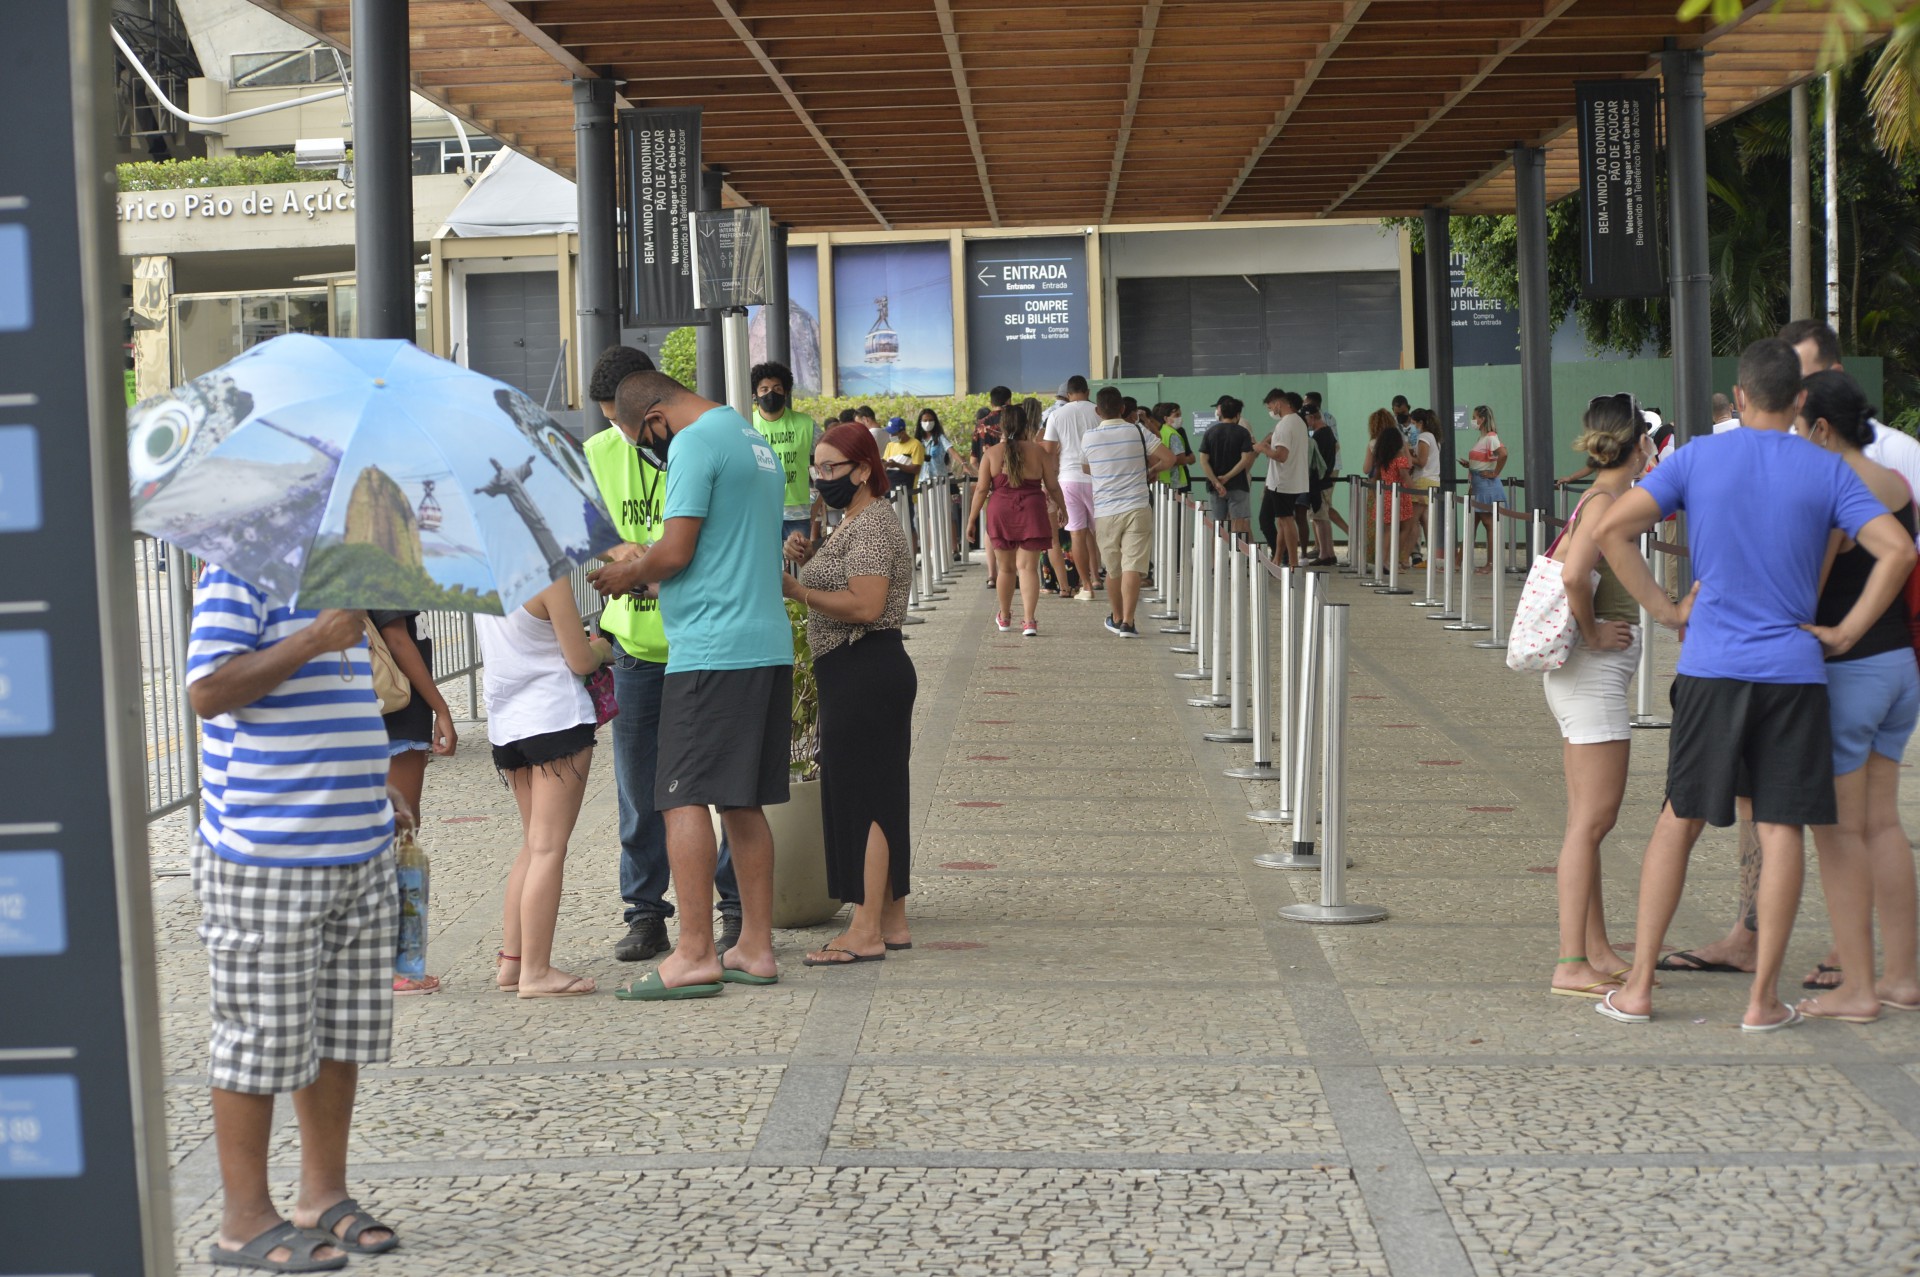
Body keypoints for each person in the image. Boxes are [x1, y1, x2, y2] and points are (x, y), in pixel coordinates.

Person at [1592, 339, 1915, 1031]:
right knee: (1782, 831)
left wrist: (1667, 609)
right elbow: (1899, 549)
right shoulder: (1823, 468)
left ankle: (1640, 986)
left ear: (1738, 399)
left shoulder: (1699, 456)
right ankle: (1763, 1000)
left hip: (1711, 666)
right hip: (1795, 673)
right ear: (1800, 400)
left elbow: (1615, 529)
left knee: (1677, 821)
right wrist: (1848, 631)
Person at [187, 568, 405, 1269]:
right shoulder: (237, 564)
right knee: (257, 1037)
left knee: (338, 1032)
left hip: (357, 842)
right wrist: (313, 637)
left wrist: (373, 794)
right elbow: (208, 688)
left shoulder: (340, 562)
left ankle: (322, 1195)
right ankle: (244, 1219)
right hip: (267, 848)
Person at [587, 370, 791, 1001]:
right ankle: (754, 946)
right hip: (763, 642)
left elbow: (675, 553)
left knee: (679, 797)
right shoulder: (749, 437)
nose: (649, 449)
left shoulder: (694, 444)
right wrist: (652, 566)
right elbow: (716, 553)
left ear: (653, 418)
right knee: (741, 801)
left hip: (710, 651)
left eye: (638, 437)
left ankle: (696, 951)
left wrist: (630, 573)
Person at [583, 347, 742, 965]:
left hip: (704, 642)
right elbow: (590, 534)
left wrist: (660, 557)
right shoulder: (598, 455)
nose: (616, 434)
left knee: (721, 786)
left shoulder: (702, 441)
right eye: (607, 422)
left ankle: (731, 909)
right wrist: (626, 555)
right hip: (638, 648)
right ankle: (646, 912)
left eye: (620, 420)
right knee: (640, 789)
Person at [1793, 370, 1920, 1023]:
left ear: (1820, 426)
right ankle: (1901, 977)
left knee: (1838, 831)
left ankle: (1858, 988)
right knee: (1884, 823)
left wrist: (1840, 630)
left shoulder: (1834, 483)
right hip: (1900, 668)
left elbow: (1808, 586)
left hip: (1852, 671)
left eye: (1797, 423)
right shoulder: (1895, 483)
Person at [781, 424, 918, 963]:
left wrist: (798, 589)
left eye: (832, 468)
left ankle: (864, 930)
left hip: (865, 669)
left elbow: (865, 604)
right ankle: (891, 919)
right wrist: (812, 555)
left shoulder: (873, 525)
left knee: (862, 800)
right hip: (860, 671)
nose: (821, 478)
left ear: (863, 469)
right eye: (816, 468)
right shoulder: (855, 523)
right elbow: (850, 583)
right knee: (880, 796)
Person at [1542, 395, 1653, 998]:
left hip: (1584, 678)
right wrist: (1590, 631)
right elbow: (1571, 573)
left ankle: (1597, 948)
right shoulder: (1607, 502)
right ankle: (1570, 962)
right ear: (1639, 445)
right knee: (1593, 821)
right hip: (1591, 676)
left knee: (1588, 822)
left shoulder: (1600, 498)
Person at [476, 578, 606, 1000]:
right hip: (554, 718)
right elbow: (580, 659)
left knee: (534, 845)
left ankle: (513, 962)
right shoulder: (544, 578)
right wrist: (603, 648)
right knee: (549, 848)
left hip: (507, 727)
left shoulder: (479, 577)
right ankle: (536, 971)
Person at [367, 607, 455, 995]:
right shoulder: (378, 552)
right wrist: (442, 706)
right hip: (394, 709)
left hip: (364, 706)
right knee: (399, 839)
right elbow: (397, 637)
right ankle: (398, 965)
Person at [966, 400, 1064, 636]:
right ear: (1026, 425)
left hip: (1000, 510)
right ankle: (1029, 621)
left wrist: (971, 520)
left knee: (1006, 569)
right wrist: (1063, 508)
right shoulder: (1038, 451)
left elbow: (981, 490)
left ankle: (1005, 616)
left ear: (1002, 426)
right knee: (1028, 568)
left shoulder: (991, 453)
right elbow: (1052, 485)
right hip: (1032, 509)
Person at [1084, 385, 1175, 636]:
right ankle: (1129, 621)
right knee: (1132, 566)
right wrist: (1149, 472)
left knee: (1113, 569)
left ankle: (1115, 616)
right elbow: (1169, 459)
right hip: (1137, 505)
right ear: (1123, 409)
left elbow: (1085, 468)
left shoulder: (1089, 437)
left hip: (1106, 510)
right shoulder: (1138, 431)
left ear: (1097, 411)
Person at [1043, 375, 1103, 601]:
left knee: (1076, 534)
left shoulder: (1056, 415)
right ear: (1087, 391)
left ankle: (1086, 587)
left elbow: (1048, 452)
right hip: (1098, 479)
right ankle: (1108, 578)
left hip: (1068, 479)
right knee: (1104, 532)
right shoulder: (1099, 411)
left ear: (1068, 394)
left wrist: (1050, 484)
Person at [750, 359, 822, 546]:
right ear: (754, 394)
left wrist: (815, 505)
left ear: (786, 392)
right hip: (758, 512)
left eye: (777, 388)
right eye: (764, 389)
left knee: (798, 568)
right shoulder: (745, 424)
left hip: (798, 514)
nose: (770, 393)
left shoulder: (806, 424)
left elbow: (824, 466)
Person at [1256, 389, 1311, 567]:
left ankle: (1293, 563)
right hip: (1288, 480)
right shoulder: (1299, 422)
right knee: (1281, 520)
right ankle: (1277, 558)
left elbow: (1281, 455)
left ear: (1278, 404)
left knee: (1286, 520)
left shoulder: (1284, 425)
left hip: (1283, 481)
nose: (1270, 410)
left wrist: (1262, 448)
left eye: (1270, 406)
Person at [1198, 395, 1255, 535]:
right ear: (1238, 415)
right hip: (1238, 484)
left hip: (1215, 487)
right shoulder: (1243, 433)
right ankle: (1238, 556)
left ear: (1220, 413)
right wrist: (1228, 477)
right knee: (1239, 524)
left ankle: (1217, 556)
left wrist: (1216, 482)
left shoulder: (1210, 432)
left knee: (1217, 526)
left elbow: (1203, 460)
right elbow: (1246, 459)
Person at [1461, 406, 1508, 574]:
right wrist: (1470, 464)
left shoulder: (1491, 437)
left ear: (1481, 419)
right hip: (1477, 483)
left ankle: (1491, 563)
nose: (1473, 420)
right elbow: (1486, 459)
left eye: (1474, 417)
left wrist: (1495, 472)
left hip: (1486, 485)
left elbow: (1503, 453)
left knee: (1488, 524)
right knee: (1472, 523)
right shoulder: (1481, 438)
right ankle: (1462, 562)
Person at [1371, 422, 1418, 569]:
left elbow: (1376, 478)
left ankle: (1384, 560)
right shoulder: (1400, 458)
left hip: (1385, 495)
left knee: (1388, 530)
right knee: (1404, 528)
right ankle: (1389, 559)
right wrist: (1417, 492)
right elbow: (1405, 476)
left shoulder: (1383, 459)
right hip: (1400, 496)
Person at [1304, 402, 1343, 566]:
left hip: (1319, 482)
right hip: (1325, 480)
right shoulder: (1328, 434)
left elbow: (1316, 462)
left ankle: (1325, 553)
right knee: (1323, 517)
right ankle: (1328, 552)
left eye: (1306, 418)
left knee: (1319, 518)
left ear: (1312, 417)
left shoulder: (1319, 436)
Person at [1407, 408, 1441, 564]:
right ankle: (1430, 556)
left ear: (1420, 422)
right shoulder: (1433, 437)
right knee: (1425, 520)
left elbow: (1422, 462)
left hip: (1422, 480)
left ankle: (1403, 557)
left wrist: (1406, 455)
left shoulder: (1424, 437)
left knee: (1412, 521)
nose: (1412, 426)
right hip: (1432, 480)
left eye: (1413, 423)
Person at [1155, 401, 1193, 492]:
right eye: (1176, 415)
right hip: (1175, 483)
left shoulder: (1160, 432)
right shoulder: (1173, 434)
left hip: (1162, 480)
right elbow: (1181, 459)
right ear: (1166, 418)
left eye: (1180, 415)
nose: (1180, 418)